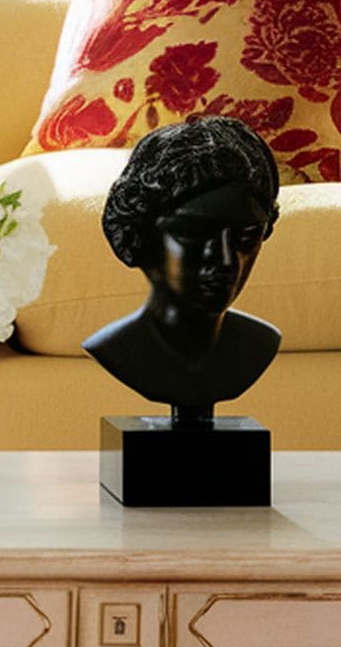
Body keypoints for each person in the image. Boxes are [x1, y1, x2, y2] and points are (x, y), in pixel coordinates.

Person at [84, 115, 281, 422]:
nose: (227, 260)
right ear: (139, 234)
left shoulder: (261, 344)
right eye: (196, 233)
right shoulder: (117, 349)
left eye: (247, 237)